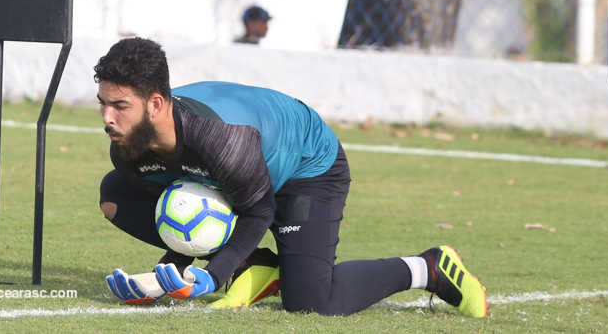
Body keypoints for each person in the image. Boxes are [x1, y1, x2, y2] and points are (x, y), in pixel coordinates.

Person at [96, 37, 488, 316]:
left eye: (120, 106)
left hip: (306, 166)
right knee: (116, 195)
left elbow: (259, 212)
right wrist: (167, 276)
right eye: (103, 104)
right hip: (239, 177)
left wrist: (211, 276)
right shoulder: (128, 146)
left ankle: (430, 268)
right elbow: (184, 208)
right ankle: (254, 267)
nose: (107, 118)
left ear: (156, 104)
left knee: (314, 301)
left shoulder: (222, 141)